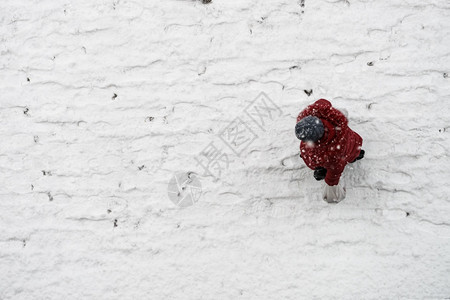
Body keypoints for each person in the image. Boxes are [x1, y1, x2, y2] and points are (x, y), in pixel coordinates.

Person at [295, 99, 364, 187]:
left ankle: (356, 156)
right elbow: (322, 103)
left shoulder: (333, 150)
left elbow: (335, 169)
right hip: (353, 140)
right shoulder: (326, 117)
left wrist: (330, 183)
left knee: (351, 154)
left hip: (351, 148)